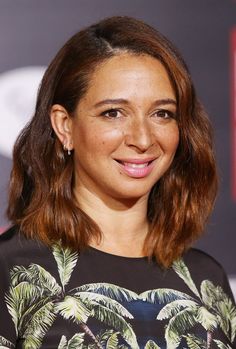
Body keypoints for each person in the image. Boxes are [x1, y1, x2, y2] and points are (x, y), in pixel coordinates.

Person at [0, 16, 235, 349]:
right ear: (64, 126)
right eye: (113, 112)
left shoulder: (206, 280)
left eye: (162, 113)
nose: (142, 138)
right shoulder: (11, 270)